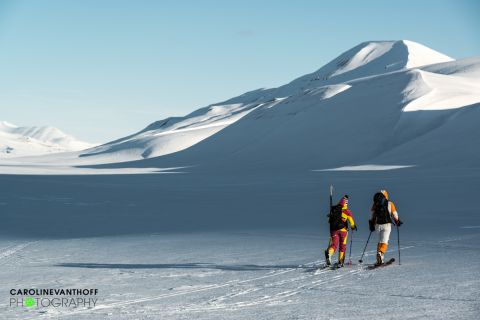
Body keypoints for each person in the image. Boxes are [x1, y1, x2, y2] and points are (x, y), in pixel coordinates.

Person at [369, 190, 403, 265]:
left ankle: (380, 258)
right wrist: (397, 221)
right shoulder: (390, 203)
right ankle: (380, 253)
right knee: (385, 241)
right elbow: (394, 214)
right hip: (386, 225)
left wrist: (372, 224)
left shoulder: (375, 204)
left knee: (380, 241)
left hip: (378, 225)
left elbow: (373, 215)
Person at [325, 195, 357, 267]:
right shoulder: (347, 211)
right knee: (342, 245)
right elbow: (352, 223)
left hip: (333, 230)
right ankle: (340, 261)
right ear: (346, 203)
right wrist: (353, 226)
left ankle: (329, 254)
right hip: (343, 231)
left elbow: (329, 220)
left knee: (334, 244)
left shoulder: (334, 209)